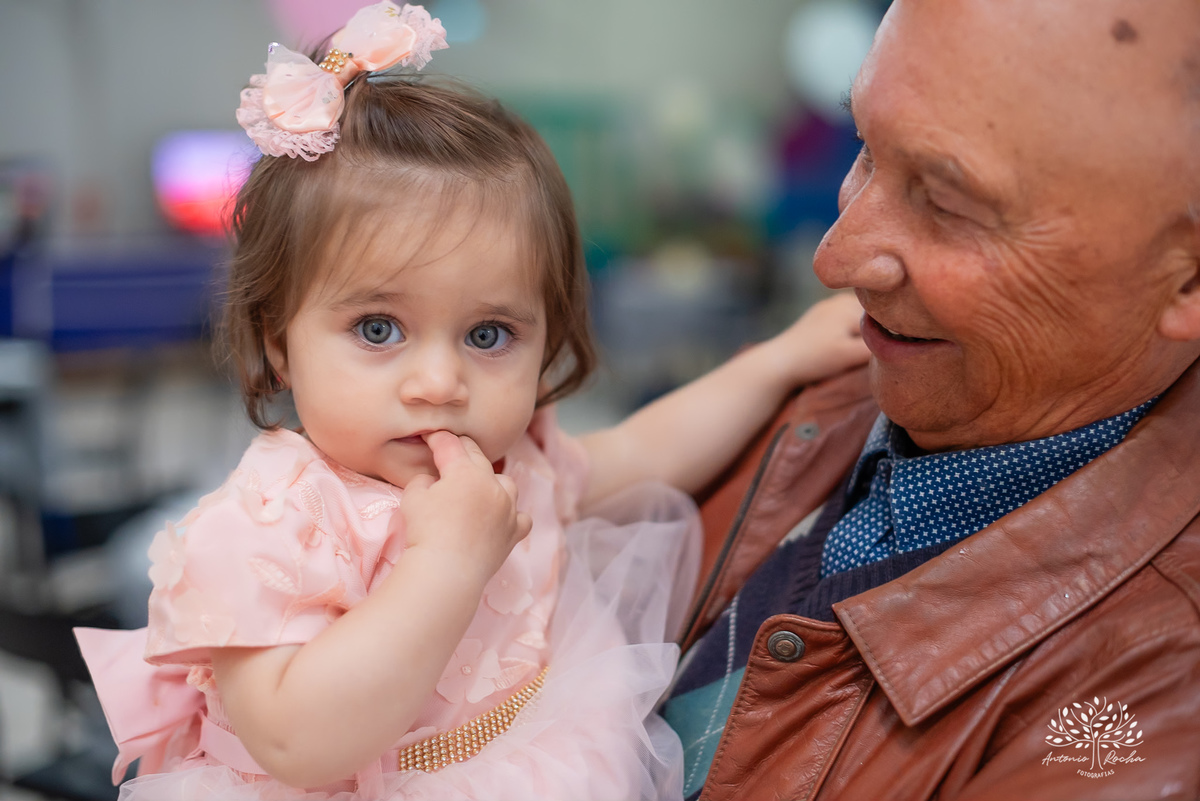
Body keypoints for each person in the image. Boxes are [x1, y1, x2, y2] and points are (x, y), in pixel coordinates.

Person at [74, 3, 869, 800]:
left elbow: (647, 450)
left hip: (543, 758)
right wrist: (446, 561)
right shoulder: (269, 524)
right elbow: (295, 740)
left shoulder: (511, 465)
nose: (440, 383)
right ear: (280, 338)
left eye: (489, 335)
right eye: (378, 328)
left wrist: (775, 361)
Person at [661, 0, 1200, 799]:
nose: (836, 260)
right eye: (865, 148)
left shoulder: (1142, 702)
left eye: (946, 204)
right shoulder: (829, 370)